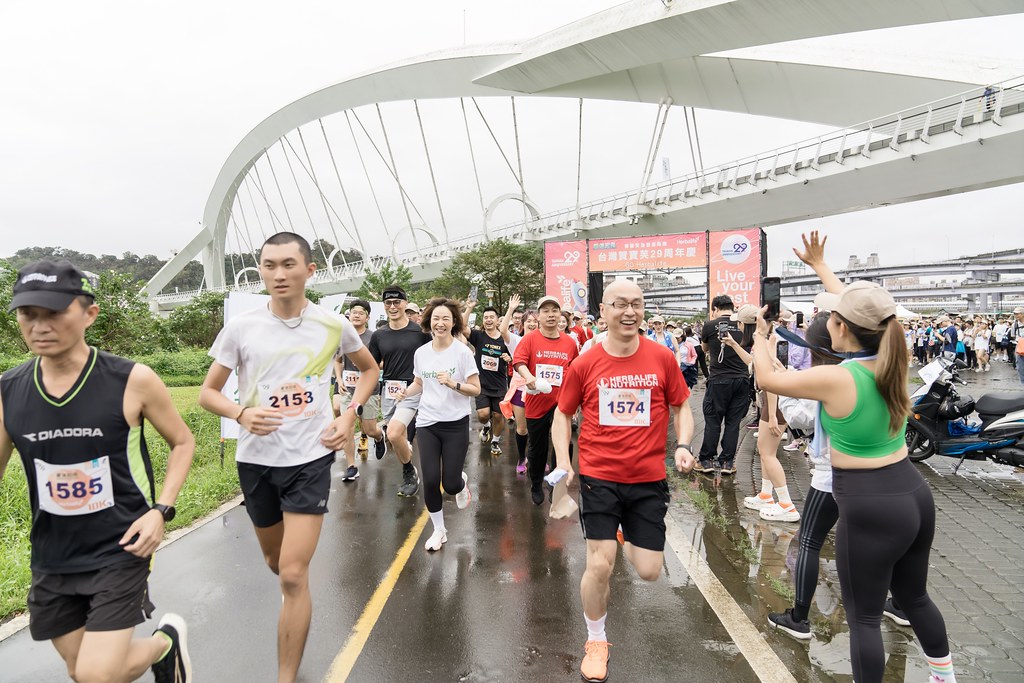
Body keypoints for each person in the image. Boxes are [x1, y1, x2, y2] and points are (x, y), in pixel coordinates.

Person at [753, 231, 957, 683]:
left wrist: (762, 334)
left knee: (865, 618)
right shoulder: (892, 358)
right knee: (917, 599)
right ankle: (945, 678)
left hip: (868, 505)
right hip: (913, 495)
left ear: (840, 328)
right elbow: (869, 312)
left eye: (832, 317)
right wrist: (822, 268)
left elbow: (767, 378)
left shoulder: (838, 378)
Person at [0, 260, 196, 682]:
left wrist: (160, 510)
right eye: (27, 314)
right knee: (79, 669)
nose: (38, 326)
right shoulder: (8, 390)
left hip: (121, 546)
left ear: (89, 314)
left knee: (96, 675)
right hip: (52, 555)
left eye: (53, 313)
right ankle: (165, 650)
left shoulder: (132, 380)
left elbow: (182, 442)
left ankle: (163, 641)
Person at [199, 232, 379, 683]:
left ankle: (286, 676)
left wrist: (349, 415)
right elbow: (207, 392)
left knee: (294, 575)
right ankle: (291, 600)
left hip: (310, 459)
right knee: (277, 564)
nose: (278, 274)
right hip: (257, 462)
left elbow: (369, 370)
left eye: (287, 265)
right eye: (268, 265)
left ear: (309, 271)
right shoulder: (241, 327)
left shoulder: (334, 325)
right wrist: (241, 412)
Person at [551, 280, 695, 683]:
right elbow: (563, 415)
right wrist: (565, 461)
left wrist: (683, 444)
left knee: (649, 570)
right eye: (620, 305)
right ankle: (596, 641)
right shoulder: (586, 363)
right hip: (600, 477)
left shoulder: (662, 357)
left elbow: (682, 405)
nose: (629, 312)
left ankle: (624, 535)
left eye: (636, 304)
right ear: (604, 309)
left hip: (649, 478)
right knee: (599, 566)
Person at [767, 312, 911, 639]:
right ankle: (902, 605)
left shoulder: (835, 378)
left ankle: (799, 618)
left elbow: (801, 417)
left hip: (834, 477)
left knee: (808, 541)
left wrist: (782, 381)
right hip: (883, 475)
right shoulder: (883, 369)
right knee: (883, 544)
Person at [395, 298, 481, 551]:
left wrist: (452, 383)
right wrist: (405, 393)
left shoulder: (462, 352)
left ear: (454, 322)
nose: (440, 323)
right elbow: (419, 383)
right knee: (431, 480)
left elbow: (476, 389)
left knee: (451, 484)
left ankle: (461, 483)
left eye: (445, 318)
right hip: (427, 423)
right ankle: (439, 530)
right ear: (428, 322)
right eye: (435, 318)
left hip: (455, 424)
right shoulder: (421, 353)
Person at [726, 306, 799, 522]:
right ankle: (767, 495)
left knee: (767, 453)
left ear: (747, 325)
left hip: (774, 402)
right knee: (766, 451)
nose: (737, 327)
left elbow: (773, 379)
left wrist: (774, 415)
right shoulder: (764, 342)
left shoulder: (767, 342)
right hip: (772, 403)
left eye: (739, 323)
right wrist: (732, 344)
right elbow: (754, 366)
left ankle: (786, 504)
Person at [363, 286, 432, 496]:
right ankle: (409, 464)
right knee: (397, 437)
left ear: (405, 303)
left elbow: (435, 356)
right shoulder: (379, 335)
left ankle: (409, 471)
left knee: (393, 433)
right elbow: (372, 366)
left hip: (414, 390)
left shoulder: (420, 333)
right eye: (388, 303)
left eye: (397, 302)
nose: (393, 307)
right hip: (390, 391)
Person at [512, 296, 579, 505]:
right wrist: (528, 376)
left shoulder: (569, 342)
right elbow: (519, 361)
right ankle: (536, 482)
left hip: (562, 403)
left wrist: (575, 401)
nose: (551, 314)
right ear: (538, 316)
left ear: (560, 315)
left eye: (554, 310)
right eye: (546, 311)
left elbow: (576, 371)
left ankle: (555, 483)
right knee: (537, 447)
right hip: (536, 402)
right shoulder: (530, 339)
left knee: (564, 443)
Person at [697, 294, 751, 474]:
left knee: (713, 420)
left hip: (718, 380)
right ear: (733, 307)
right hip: (742, 380)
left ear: (715, 309)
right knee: (733, 422)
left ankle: (706, 461)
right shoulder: (743, 324)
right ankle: (727, 463)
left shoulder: (710, 325)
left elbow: (704, 349)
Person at [464, 295, 520, 455]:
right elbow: (462, 327)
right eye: (486, 317)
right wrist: (469, 307)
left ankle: (495, 442)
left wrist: (509, 359)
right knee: (483, 415)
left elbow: (514, 357)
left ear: (497, 320)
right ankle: (486, 427)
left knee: (497, 415)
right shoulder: (478, 336)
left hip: (499, 385)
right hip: (481, 384)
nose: (488, 320)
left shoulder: (505, 339)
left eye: (491, 317)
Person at [333, 299, 376, 481]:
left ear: (367, 317)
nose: (356, 315)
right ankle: (351, 465)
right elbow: (338, 360)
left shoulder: (373, 337)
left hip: (368, 390)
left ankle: (379, 438)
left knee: (370, 428)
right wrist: (340, 379)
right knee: (347, 426)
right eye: (353, 312)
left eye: (361, 312)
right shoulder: (342, 336)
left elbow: (377, 364)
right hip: (348, 389)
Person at [1011, 307, 1024, 383]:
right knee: (1020, 367)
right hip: (1019, 347)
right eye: (1015, 314)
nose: (1015, 315)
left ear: (1023, 314)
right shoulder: (1014, 324)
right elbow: (1013, 335)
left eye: (1017, 313)